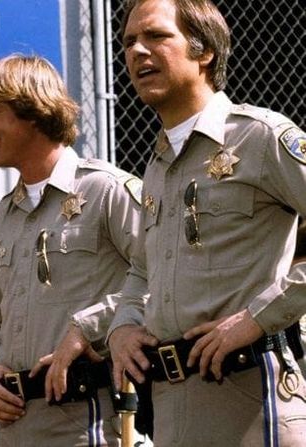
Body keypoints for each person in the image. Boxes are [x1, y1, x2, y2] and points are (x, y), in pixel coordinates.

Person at [108, 0, 306, 444]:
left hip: (253, 402)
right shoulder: (158, 163)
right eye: (128, 42)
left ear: (204, 52)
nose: (137, 51)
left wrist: (258, 317)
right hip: (174, 410)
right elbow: (143, 268)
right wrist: (121, 326)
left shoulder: (261, 137)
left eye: (156, 36)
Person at [0, 54, 144, 446]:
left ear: (34, 111)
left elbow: (163, 276)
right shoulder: (3, 215)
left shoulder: (105, 190)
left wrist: (87, 327)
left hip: (91, 420)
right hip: (14, 426)